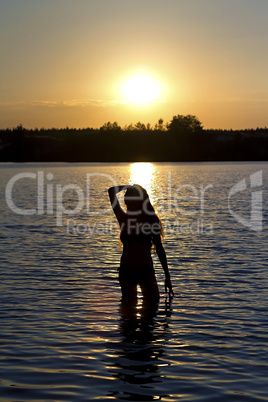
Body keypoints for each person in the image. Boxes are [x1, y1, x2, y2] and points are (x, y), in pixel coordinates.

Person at [108, 184, 174, 312]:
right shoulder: (124, 219)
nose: (127, 201)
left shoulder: (151, 221)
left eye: (130, 198)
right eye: (126, 199)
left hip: (146, 271)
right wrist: (128, 186)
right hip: (127, 272)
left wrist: (167, 276)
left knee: (152, 307)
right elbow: (111, 192)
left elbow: (159, 248)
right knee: (129, 311)